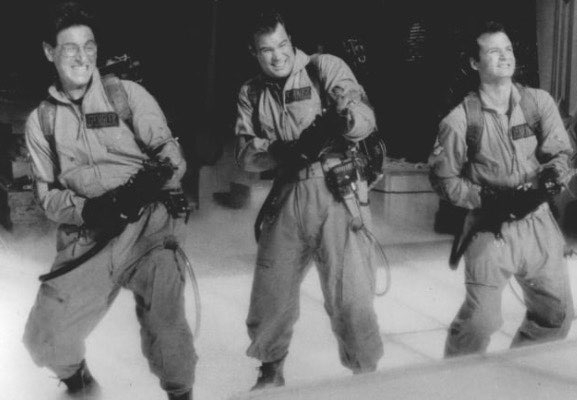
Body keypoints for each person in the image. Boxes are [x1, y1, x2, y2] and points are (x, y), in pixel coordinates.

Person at [22, 3, 196, 399]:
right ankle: (81, 387)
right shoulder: (41, 121)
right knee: (44, 336)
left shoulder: (125, 95)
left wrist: (150, 183)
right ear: (49, 52)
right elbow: (47, 198)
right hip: (90, 237)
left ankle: (182, 395)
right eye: (70, 48)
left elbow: (172, 156)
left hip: (148, 228)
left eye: (89, 46)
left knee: (167, 331)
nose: (82, 57)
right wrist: (90, 209)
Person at [235, 10, 383, 390]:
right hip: (287, 192)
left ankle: (366, 378)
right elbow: (246, 154)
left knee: (351, 294)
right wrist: (281, 151)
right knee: (270, 291)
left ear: (291, 40)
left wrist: (344, 120)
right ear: (254, 53)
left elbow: (365, 115)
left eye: (282, 44)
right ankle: (271, 372)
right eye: (267, 50)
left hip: (336, 190)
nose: (278, 56)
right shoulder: (251, 92)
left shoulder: (322, 68)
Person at [429, 21, 574, 357]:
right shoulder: (460, 120)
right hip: (490, 227)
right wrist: (485, 197)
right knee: (481, 321)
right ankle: (455, 378)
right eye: (493, 51)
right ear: (474, 62)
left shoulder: (537, 103)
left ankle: (516, 374)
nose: (505, 57)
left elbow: (561, 153)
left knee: (556, 315)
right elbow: (444, 180)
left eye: (507, 49)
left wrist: (555, 173)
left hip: (538, 224)